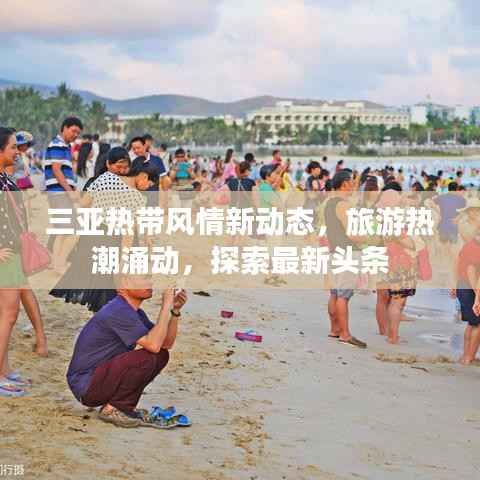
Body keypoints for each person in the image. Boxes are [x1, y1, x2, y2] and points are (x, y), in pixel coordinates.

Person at [66, 278, 188, 428]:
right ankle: (113, 409)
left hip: (98, 380)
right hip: (87, 386)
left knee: (161, 355)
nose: (149, 283)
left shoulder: (134, 312)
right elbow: (154, 345)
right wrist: (165, 305)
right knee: (149, 357)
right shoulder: (117, 310)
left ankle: (120, 406)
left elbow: (166, 344)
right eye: (143, 278)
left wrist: (174, 311)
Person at [0, 127, 38, 396]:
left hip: (13, 253)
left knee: (7, 316)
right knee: (9, 314)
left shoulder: (5, 178)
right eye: (13, 147)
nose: (17, 151)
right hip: (5, 256)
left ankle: (4, 369)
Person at [324, 170, 367, 348]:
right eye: (351, 182)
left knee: (335, 293)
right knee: (343, 296)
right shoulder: (343, 205)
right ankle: (345, 334)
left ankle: (334, 329)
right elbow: (352, 234)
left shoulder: (329, 203)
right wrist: (368, 237)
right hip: (347, 253)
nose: (354, 186)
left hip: (335, 252)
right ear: (344, 184)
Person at [44, 117, 83, 272]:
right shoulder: (57, 144)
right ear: (65, 128)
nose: (75, 135)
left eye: (78, 133)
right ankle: (59, 263)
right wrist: (69, 191)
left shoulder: (65, 146)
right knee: (73, 231)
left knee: (62, 231)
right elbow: (56, 170)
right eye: (73, 131)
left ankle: (56, 263)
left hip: (59, 193)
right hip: (59, 193)